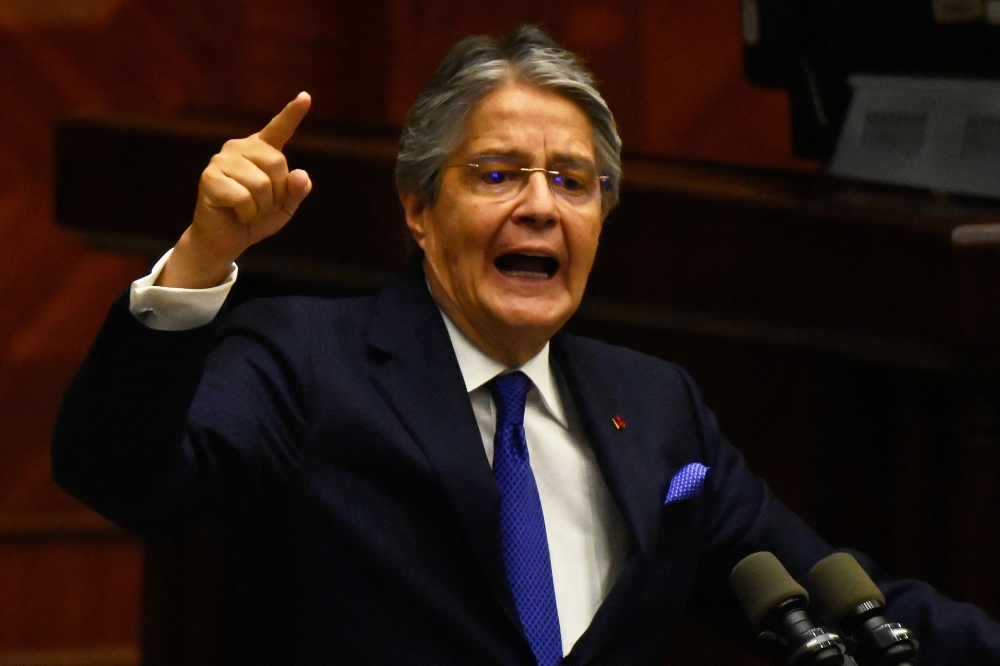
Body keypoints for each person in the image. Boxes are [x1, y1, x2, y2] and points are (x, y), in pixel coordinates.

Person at [53, 25, 1000, 665]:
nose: (541, 205)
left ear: (603, 214)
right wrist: (199, 258)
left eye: (573, 181)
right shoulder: (304, 360)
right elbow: (121, 474)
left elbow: (836, 592)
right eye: (499, 173)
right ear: (419, 209)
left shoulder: (658, 408)